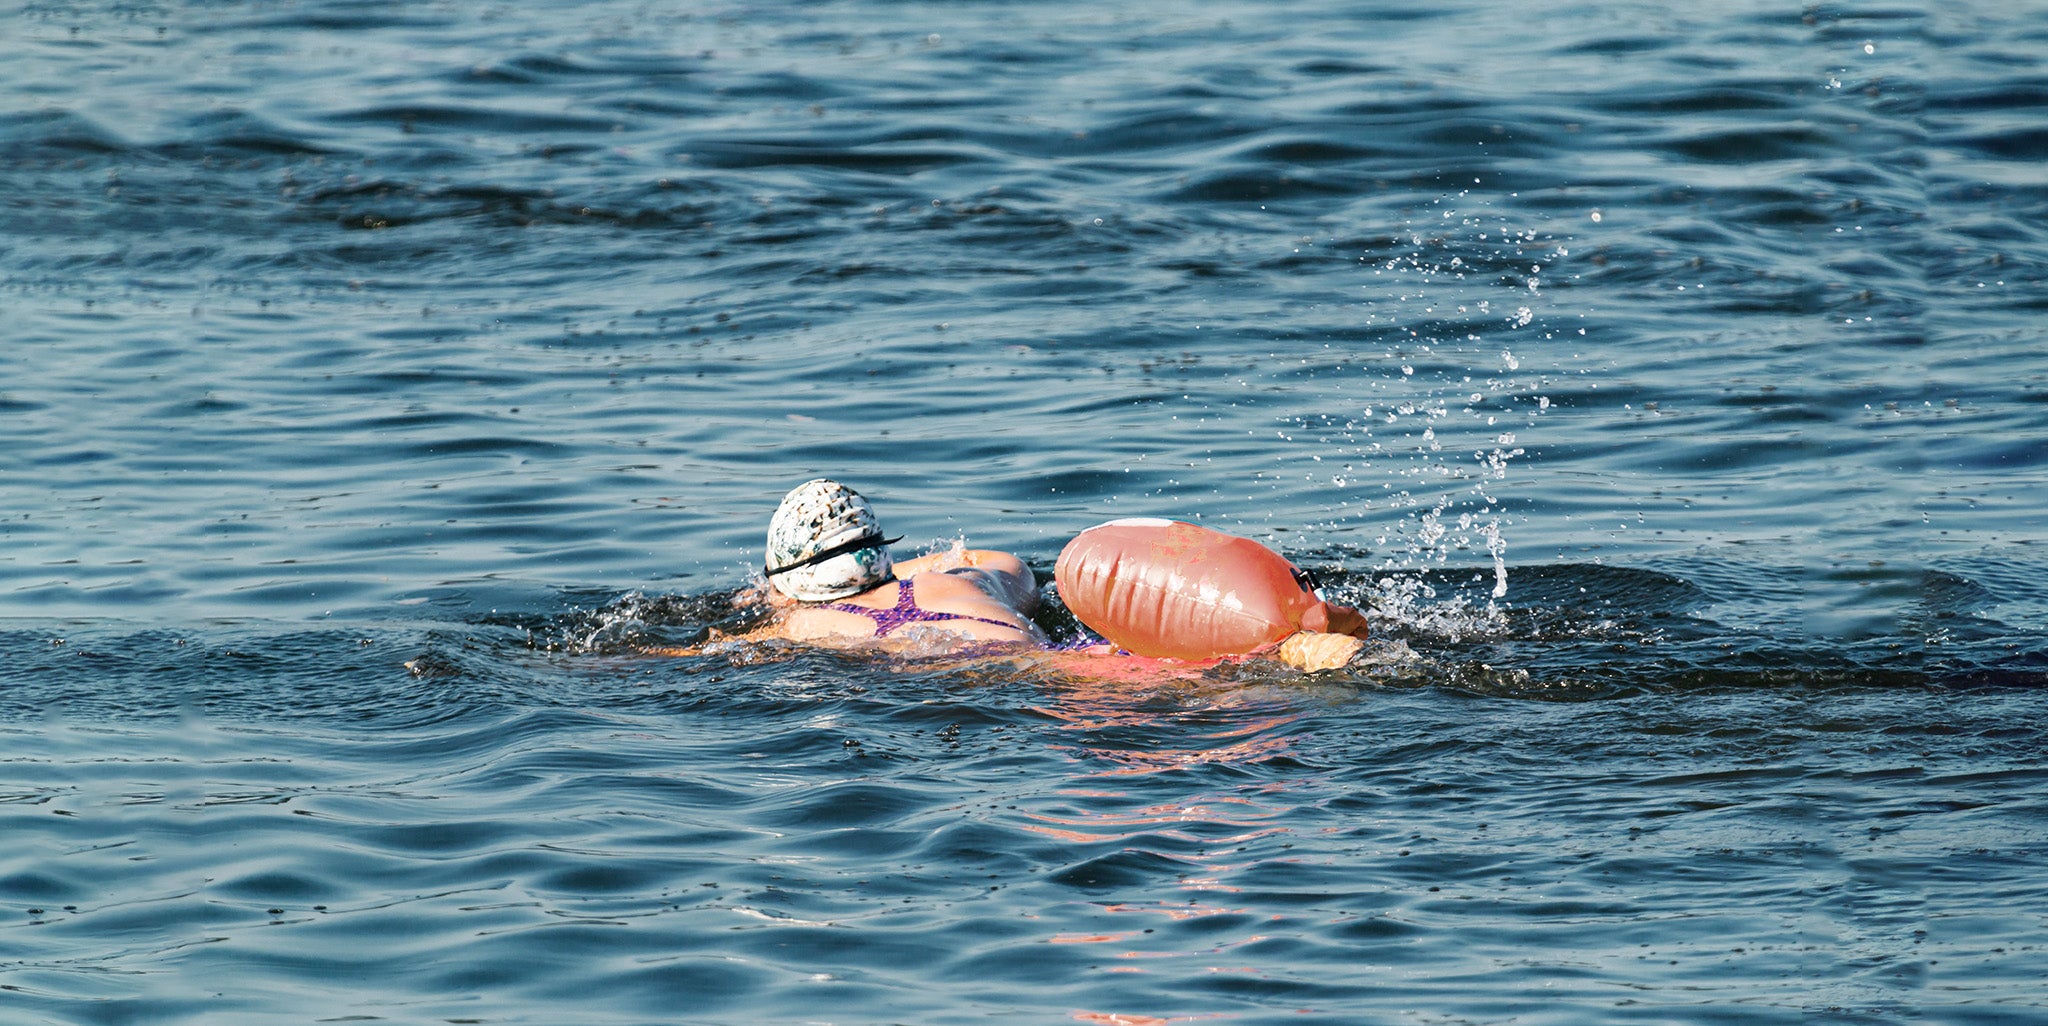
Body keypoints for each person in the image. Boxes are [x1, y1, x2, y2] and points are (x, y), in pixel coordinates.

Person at [652, 479, 1367, 670]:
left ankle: (1297, 650)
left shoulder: (804, 629)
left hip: (1004, 684)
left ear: (788, 579)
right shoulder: (974, 578)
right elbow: (1015, 568)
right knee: (1153, 664)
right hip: (1059, 654)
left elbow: (698, 656)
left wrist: (771, 602)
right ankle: (1302, 637)